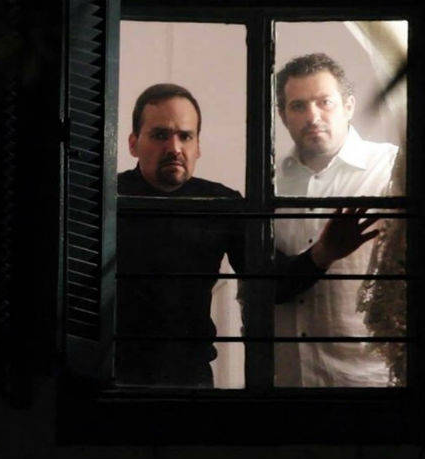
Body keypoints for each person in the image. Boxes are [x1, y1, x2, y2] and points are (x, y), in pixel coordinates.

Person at [115, 83, 380, 387]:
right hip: (109, 376)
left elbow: (269, 282)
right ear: (133, 144)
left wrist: (324, 252)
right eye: (160, 135)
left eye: (185, 136)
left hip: (189, 378)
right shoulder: (106, 199)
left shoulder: (219, 204)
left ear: (198, 147)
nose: (174, 148)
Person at [274, 53, 399, 387]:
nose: (312, 116)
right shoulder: (268, 184)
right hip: (287, 382)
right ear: (282, 115)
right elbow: (262, 281)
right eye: (298, 106)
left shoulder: (392, 169)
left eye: (324, 102)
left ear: (349, 106)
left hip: (367, 381)